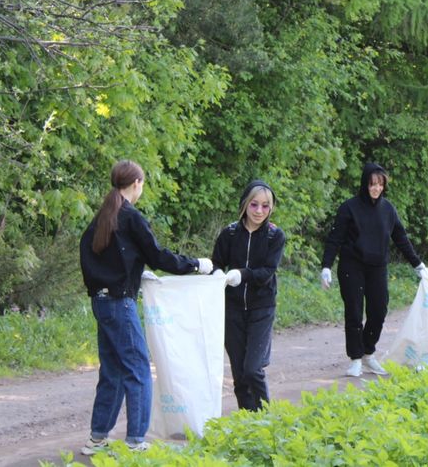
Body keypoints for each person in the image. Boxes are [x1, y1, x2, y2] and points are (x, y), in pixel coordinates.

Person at [79, 160, 213, 455]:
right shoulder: (130, 217)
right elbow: (158, 255)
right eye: (142, 184)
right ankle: (136, 441)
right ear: (137, 183)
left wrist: (134, 274)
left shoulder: (102, 216)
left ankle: (97, 438)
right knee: (138, 369)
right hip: (119, 303)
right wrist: (196, 265)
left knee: (112, 370)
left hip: (100, 302)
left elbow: (99, 259)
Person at [320, 163, 426, 377]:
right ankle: (356, 358)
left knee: (379, 310)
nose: (376, 188)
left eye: (380, 185)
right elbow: (335, 238)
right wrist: (326, 266)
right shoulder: (349, 208)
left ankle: (368, 352)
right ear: (365, 184)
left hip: (377, 267)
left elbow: (401, 238)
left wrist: (417, 264)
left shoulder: (388, 210)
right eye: (372, 184)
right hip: (352, 266)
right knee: (354, 312)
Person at [211, 180, 285, 411]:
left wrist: (241, 275)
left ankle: (266, 418)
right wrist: (216, 274)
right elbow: (216, 263)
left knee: (253, 369)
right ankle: (247, 421)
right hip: (231, 309)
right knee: (240, 373)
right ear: (245, 204)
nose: (259, 211)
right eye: (254, 205)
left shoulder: (275, 236)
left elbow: (266, 272)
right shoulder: (230, 233)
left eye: (265, 206)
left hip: (261, 308)